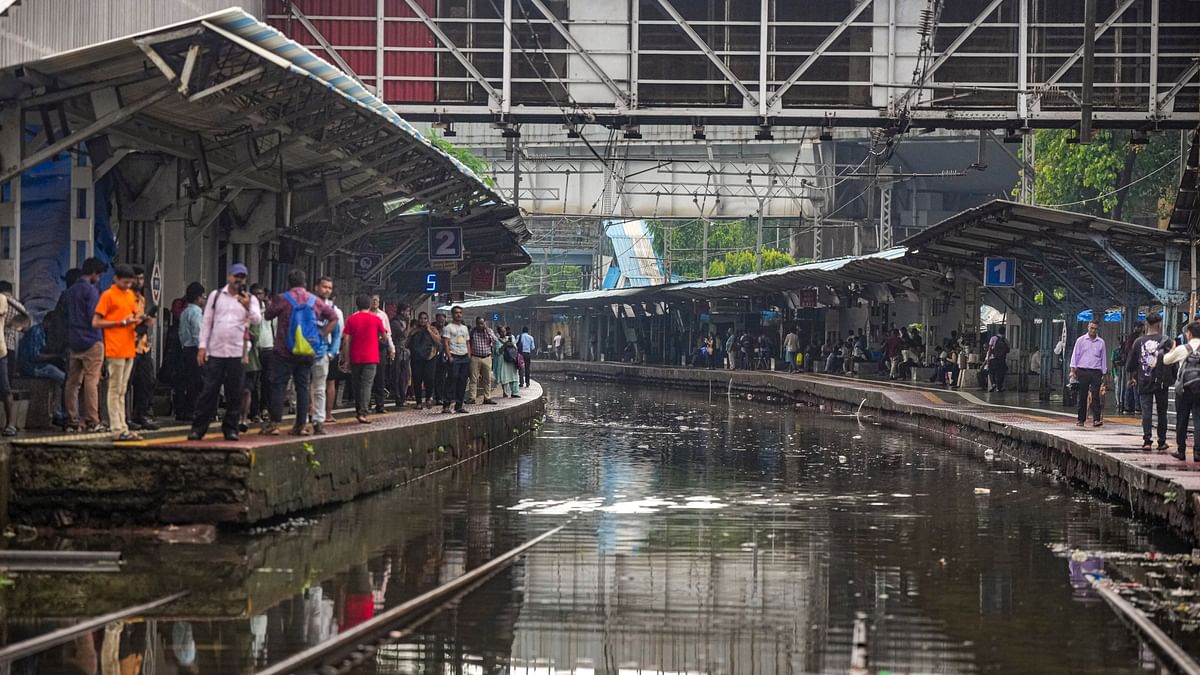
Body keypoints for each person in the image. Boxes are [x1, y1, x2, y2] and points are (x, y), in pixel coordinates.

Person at [188, 263, 261, 441]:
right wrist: (202, 346)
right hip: (216, 350)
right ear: (229, 277)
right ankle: (199, 428)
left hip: (237, 351)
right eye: (236, 276)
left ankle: (231, 428)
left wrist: (246, 306)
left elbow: (257, 320)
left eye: (242, 277)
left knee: (234, 392)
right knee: (209, 390)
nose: (238, 280)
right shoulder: (216, 296)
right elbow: (207, 322)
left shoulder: (250, 299)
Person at [264, 269, 338, 436]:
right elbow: (333, 317)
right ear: (305, 284)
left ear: (288, 283)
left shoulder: (283, 299)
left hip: (284, 350)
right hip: (307, 350)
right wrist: (322, 333)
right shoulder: (315, 301)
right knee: (303, 387)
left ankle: (275, 423)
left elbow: (268, 315)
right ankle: (300, 426)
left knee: (279, 386)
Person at [93, 264, 144, 441]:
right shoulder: (108, 296)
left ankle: (123, 425)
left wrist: (140, 321)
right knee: (115, 389)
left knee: (122, 389)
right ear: (115, 279)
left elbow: (132, 317)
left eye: (130, 283)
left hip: (129, 347)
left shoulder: (130, 296)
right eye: (124, 282)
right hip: (115, 347)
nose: (127, 286)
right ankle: (116, 427)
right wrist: (118, 323)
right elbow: (96, 322)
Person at [64, 258, 107, 433]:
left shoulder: (70, 291)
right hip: (91, 340)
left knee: (73, 382)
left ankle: (72, 419)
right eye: (99, 275)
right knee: (91, 380)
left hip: (75, 341)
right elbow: (94, 317)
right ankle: (92, 419)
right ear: (94, 273)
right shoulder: (91, 291)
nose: (99, 278)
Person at [1125, 314, 1174, 452]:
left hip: (1143, 381)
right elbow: (1172, 361)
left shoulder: (1138, 342)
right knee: (1161, 412)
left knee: (1146, 412)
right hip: (1161, 382)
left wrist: (1133, 377)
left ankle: (1147, 441)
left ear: (1146, 324)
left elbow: (1130, 365)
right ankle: (1162, 441)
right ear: (1159, 324)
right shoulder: (1166, 341)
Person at [341, 294, 387, 424]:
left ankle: (358, 410)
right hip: (371, 357)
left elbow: (346, 340)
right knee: (367, 385)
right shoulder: (376, 319)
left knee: (356, 385)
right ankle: (363, 412)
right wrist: (376, 339)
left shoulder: (351, 319)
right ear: (369, 305)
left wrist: (346, 359)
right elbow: (385, 337)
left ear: (357, 305)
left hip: (355, 357)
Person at [308, 277, 341, 435]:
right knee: (305, 386)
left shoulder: (333, 309)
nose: (327, 290)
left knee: (320, 387)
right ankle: (307, 414)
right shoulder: (307, 305)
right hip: (304, 352)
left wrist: (332, 352)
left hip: (322, 353)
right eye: (324, 287)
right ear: (316, 287)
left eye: (330, 287)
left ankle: (318, 420)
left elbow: (337, 333)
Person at [129, 265, 160, 431]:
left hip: (143, 346)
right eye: (137, 278)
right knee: (126, 385)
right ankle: (126, 417)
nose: (140, 282)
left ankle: (140, 414)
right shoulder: (126, 299)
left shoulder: (141, 299)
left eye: (141, 278)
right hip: (129, 345)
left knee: (147, 382)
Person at [1166, 321, 1200, 461]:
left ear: (1189, 333)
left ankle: (1181, 450)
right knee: (1199, 420)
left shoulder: (1182, 349)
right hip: (1199, 389)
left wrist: (1173, 349)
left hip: (1184, 390)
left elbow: (1166, 360)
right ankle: (1198, 452)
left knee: (1182, 420)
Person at [175, 282, 205, 422]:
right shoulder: (196, 312)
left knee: (185, 382)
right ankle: (192, 410)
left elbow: (182, 334)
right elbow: (198, 333)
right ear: (198, 298)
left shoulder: (184, 312)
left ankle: (181, 411)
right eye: (203, 297)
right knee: (196, 382)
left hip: (185, 349)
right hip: (195, 350)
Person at [1070, 320, 1107, 428]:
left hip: (1096, 371)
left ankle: (1096, 419)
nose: (1093, 330)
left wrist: (1104, 373)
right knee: (1082, 395)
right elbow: (1075, 355)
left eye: (1095, 328)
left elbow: (1103, 358)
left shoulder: (1101, 342)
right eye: (1091, 328)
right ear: (1088, 328)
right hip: (1082, 370)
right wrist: (1073, 370)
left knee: (1096, 395)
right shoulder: (1080, 341)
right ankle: (1081, 419)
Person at [407, 312, 440, 409]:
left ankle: (428, 397)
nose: (423, 320)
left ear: (428, 320)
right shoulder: (414, 330)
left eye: (425, 318)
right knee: (417, 380)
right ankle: (418, 402)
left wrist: (429, 330)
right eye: (421, 318)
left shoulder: (433, 329)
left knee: (429, 379)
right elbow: (407, 342)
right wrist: (411, 331)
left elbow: (438, 341)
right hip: (416, 358)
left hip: (429, 357)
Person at [441, 306, 471, 414]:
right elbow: (445, 342)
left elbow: (467, 342)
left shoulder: (465, 328)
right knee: (452, 379)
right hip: (454, 355)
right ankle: (446, 405)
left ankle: (459, 405)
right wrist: (449, 356)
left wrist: (469, 355)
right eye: (456, 313)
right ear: (452, 314)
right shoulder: (448, 327)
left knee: (462, 381)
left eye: (460, 313)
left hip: (464, 357)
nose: (458, 315)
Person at [368, 294, 394, 414]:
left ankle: (380, 404)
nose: (375, 302)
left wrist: (391, 348)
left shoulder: (383, 315)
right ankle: (366, 403)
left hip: (380, 347)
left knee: (380, 376)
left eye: (377, 300)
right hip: (367, 346)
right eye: (373, 300)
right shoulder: (365, 313)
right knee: (367, 376)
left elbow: (388, 333)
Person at [0, 282, 18, 436]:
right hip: (7, 348)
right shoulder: (12, 302)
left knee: (5, 388)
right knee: (6, 387)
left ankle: (10, 424)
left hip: (2, 351)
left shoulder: (3, 300)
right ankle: (9, 424)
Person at [468, 316, 498, 405]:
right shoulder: (472, 332)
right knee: (473, 378)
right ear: (476, 324)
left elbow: (495, 341)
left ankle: (487, 398)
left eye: (482, 323)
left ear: (485, 323)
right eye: (479, 323)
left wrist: (487, 331)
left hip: (487, 357)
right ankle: (472, 397)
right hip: (475, 357)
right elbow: (468, 342)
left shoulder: (489, 331)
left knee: (487, 378)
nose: (480, 325)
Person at [391, 304, 411, 409]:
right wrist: (408, 324)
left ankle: (403, 396)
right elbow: (404, 335)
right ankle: (398, 397)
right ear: (402, 311)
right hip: (397, 350)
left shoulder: (401, 322)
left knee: (405, 375)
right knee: (398, 375)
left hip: (404, 351)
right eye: (407, 311)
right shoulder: (395, 322)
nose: (408, 314)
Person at [495, 332, 521, 398]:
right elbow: (498, 352)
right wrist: (505, 345)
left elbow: (516, 348)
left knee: (514, 377)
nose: (504, 333)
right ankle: (505, 393)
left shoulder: (511, 338)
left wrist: (511, 344)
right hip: (504, 361)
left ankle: (515, 392)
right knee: (505, 377)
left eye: (504, 331)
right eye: (502, 331)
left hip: (512, 361)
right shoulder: (498, 341)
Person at [986, 327, 1010, 392]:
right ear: (1004, 332)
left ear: (998, 331)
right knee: (1001, 373)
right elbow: (1008, 350)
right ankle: (999, 387)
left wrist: (988, 359)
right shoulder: (1006, 340)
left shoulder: (993, 338)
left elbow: (990, 349)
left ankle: (993, 384)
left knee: (991, 371)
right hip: (1002, 360)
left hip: (994, 358)